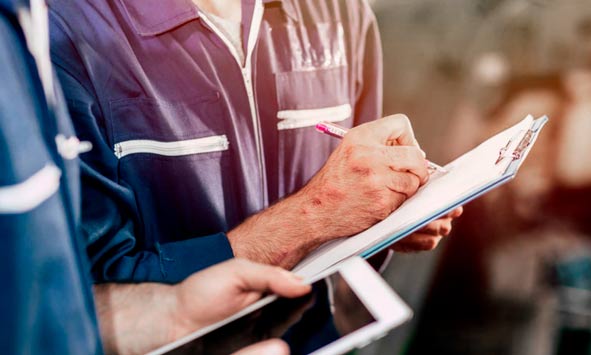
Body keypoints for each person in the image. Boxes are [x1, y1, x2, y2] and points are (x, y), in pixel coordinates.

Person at [48, 0, 462, 283]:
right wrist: (310, 218)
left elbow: (357, 202)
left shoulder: (341, 12)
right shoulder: (60, 33)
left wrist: (386, 212)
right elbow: (90, 294)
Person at [0, 0, 309, 354]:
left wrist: (170, 312)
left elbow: (48, 311)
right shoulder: (64, 31)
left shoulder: (24, 26)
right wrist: (305, 219)